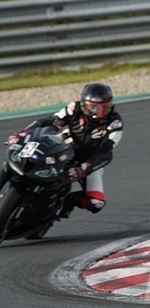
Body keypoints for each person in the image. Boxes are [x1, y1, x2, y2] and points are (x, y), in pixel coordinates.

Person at [2, 83, 123, 217]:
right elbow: (51, 122)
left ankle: (67, 202)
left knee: (95, 202)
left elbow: (106, 153)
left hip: (88, 160)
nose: (97, 113)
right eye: (92, 107)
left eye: (103, 108)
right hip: (64, 145)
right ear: (84, 104)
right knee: (20, 153)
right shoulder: (74, 108)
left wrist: (84, 168)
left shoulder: (114, 124)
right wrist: (22, 134)